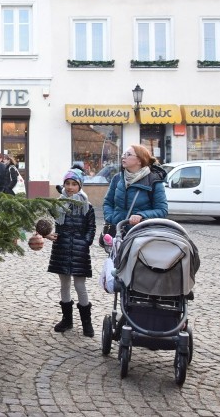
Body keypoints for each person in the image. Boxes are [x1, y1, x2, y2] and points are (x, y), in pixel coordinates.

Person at [45, 169, 96, 336]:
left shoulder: (87, 206)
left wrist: (86, 241)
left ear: (80, 185)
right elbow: (48, 221)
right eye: (67, 184)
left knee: (80, 286)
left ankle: (86, 323)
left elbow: (91, 227)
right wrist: (48, 234)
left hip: (80, 250)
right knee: (64, 285)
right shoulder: (58, 204)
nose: (70, 187)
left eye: (74, 184)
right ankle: (67, 320)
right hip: (62, 248)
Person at [103, 144, 168, 234]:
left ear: (140, 161)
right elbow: (108, 203)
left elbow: (162, 210)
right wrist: (111, 218)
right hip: (117, 232)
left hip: (141, 233)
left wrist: (141, 215)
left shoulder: (154, 181)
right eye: (123, 154)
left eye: (128, 155)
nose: (123, 157)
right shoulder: (117, 178)